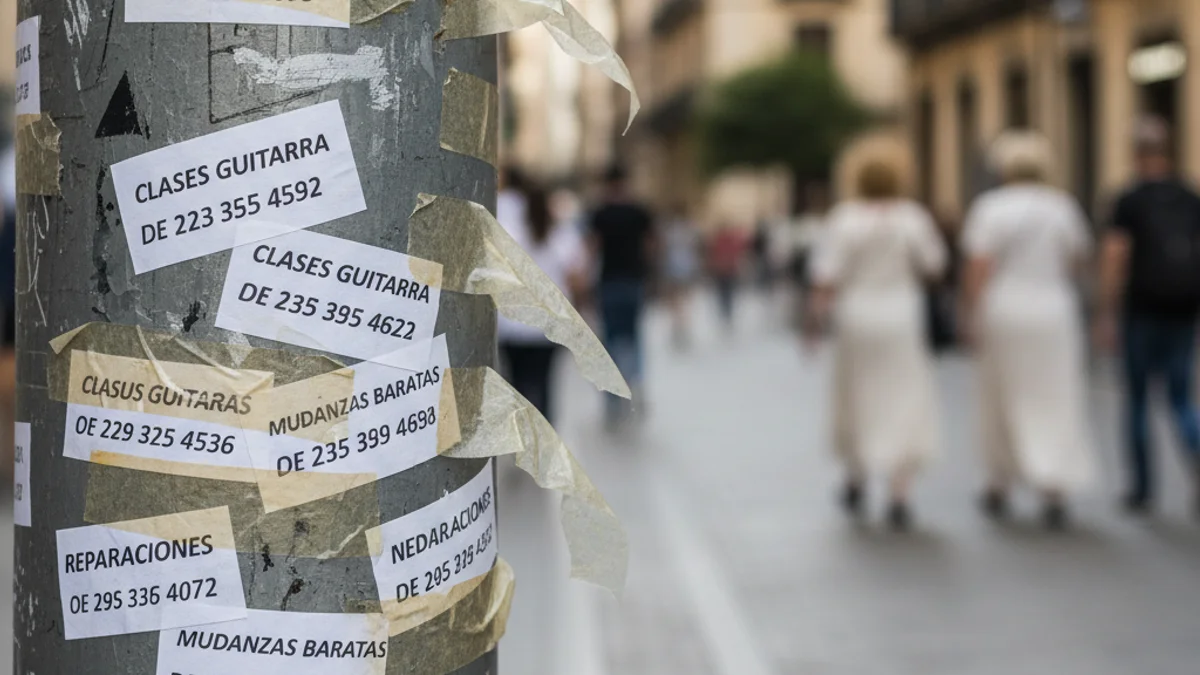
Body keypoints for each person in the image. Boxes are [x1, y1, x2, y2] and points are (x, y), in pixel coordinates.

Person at [961, 131, 1095, 529]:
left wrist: (970, 312)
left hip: (1006, 308)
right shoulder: (1063, 207)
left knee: (1000, 393)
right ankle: (1053, 484)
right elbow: (1076, 262)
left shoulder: (990, 208)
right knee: (1054, 394)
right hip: (1053, 309)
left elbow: (979, 266)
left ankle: (999, 482)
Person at [807, 161, 946, 530]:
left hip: (856, 315)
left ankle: (856, 477)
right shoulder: (912, 217)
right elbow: (934, 265)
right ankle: (900, 491)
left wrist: (814, 322)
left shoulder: (845, 218)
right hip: (901, 315)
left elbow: (825, 276)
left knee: (857, 395)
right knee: (903, 396)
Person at [1097, 117, 1200, 515]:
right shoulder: (1190, 196)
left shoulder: (1129, 199)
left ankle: (1142, 488)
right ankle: (1195, 452)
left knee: (1138, 398)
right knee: (1180, 397)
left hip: (1141, 307)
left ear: (1136, 154)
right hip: (1183, 307)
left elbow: (1115, 255)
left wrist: (1106, 309)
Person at [497, 172, 587, 424]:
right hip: (549, 325)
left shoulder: (512, 234)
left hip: (513, 325)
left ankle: (522, 438)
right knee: (545, 383)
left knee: (517, 384)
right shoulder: (563, 236)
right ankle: (545, 439)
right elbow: (577, 280)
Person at [589, 165, 656, 425]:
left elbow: (592, 248)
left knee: (610, 337)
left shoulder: (599, 213)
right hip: (633, 280)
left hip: (608, 281)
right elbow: (652, 245)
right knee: (634, 335)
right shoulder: (639, 212)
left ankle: (613, 394)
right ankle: (636, 383)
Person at [661, 205, 700, 348]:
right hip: (679, 270)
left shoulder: (676, 231)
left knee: (679, 303)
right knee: (679, 303)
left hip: (679, 271)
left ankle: (680, 328)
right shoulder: (685, 230)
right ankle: (679, 328)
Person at [709, 224, 745, 329]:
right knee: (724, 293)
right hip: (722, 270)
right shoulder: (719, 241)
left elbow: (735, 254)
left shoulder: (725, 241)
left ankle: (727, 313)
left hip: (728, 270)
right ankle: (725, 313)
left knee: (727, 293)